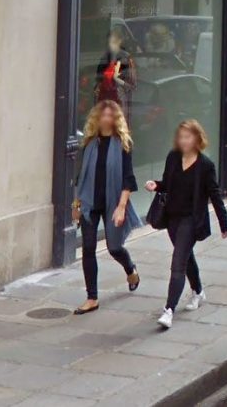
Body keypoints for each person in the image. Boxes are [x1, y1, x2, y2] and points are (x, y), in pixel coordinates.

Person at [145, 119, 227, 330]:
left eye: (188, 137)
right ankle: (199, 291)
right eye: (181, 137)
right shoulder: (173, 158)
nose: (184, 141)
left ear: (197, 138)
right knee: (186, 256)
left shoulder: (205, 166)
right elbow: (167, 184)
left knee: (177, 262)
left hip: (192, 220)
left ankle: (169, 310)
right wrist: (156, 185)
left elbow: (215, 194)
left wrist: (224, 222)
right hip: (172, 218)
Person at [73, 100, 141, 315]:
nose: (106, 119)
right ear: (97, 117)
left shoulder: (122, 143)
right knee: (88, 249)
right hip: (89, 203)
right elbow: (80, 177)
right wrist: (76, 204)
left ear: (116, 119)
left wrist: (121, 207)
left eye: (111, 115)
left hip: (113, 202)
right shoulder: (89, 143)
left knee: (114, 247)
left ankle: (130, 269)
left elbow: (128, 180)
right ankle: (92, 297)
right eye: (103, 115)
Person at [95, 27, 137, 108]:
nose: (110, 45)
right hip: (104, 99)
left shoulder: (126, 58)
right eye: (109, 43)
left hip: (118, 100)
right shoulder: (105, 57)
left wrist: (118, 80)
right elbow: (99, 79)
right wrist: (98, 87)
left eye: (113, 42)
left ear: (120, 42)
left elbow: (132, 85)